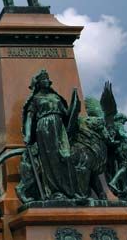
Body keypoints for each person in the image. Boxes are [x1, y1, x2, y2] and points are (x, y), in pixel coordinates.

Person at [21, 70, 76, 200]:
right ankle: (55, 191)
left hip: (59, 126)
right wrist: (28, 134)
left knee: (66, 155)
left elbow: (66, 113)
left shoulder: (56, 97)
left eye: (47, 79)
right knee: (50, 158)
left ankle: (70, 189)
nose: (47, 81)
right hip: (44, 127)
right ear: (39, 83)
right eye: (44, 79)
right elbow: (29, 117)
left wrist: (74, 106)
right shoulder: (36, 99)